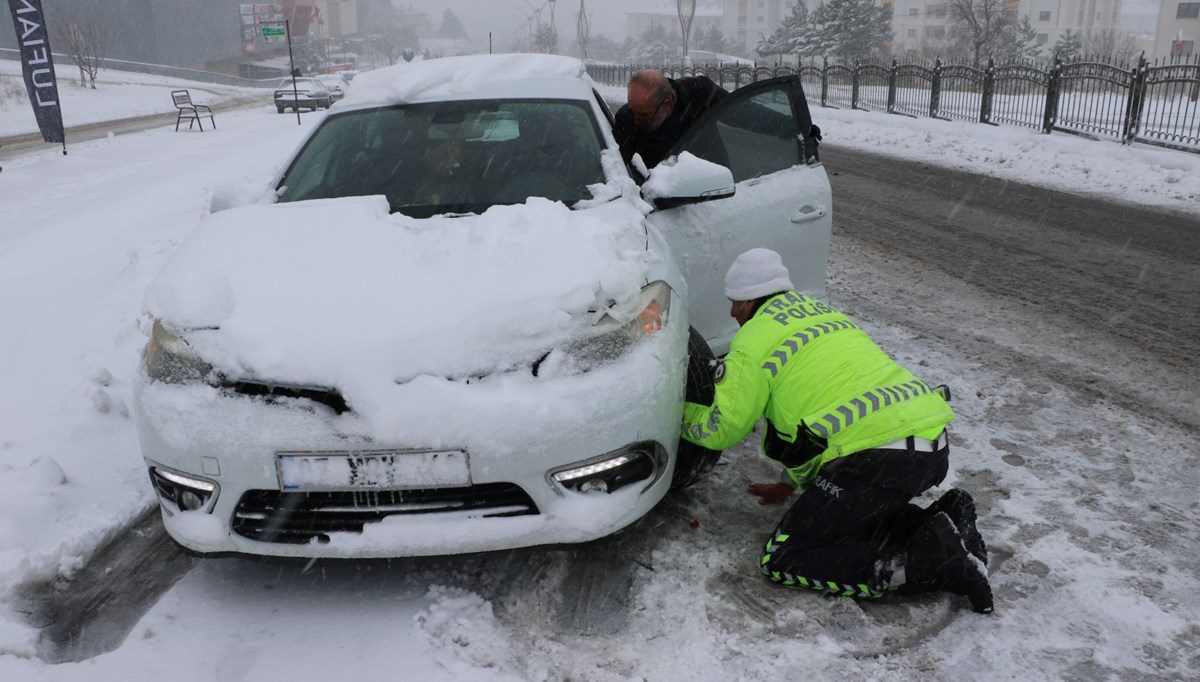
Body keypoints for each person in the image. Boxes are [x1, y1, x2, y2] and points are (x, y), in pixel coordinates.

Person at [681, 248, 993, 614]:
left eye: (734, 303)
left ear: (749, 302)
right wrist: (790, 482)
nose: (732, 312)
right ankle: (948, 519)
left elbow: (723, 428)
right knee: (851, 520)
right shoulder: (824, 315)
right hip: (928, 446)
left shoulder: (754, 342)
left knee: (785, 557)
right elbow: (819, 418)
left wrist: (678, 415)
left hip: (878, 458)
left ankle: (927, 565)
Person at [613, 69, 728, 173]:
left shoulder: (702, 92)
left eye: (643, 115)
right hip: (663, 190)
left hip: (719, 180)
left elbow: (738, 113)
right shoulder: (626, 119)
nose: (636, 121)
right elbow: (615, 165)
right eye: (632, 110)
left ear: (667, 103)